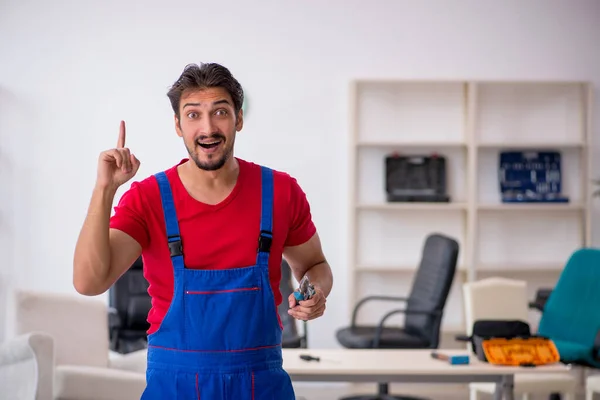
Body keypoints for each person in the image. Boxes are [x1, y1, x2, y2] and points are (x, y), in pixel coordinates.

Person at [72, 62, 333, 399]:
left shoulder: (280, 192)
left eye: (220, 112)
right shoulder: (148, 199)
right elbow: (88, 282)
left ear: (238, 118)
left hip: (261, 385)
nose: (208, 128)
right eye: (193, 115)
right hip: (174, 387)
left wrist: (314, 291)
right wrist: (105, 188)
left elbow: (315, 266)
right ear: (178, 125)